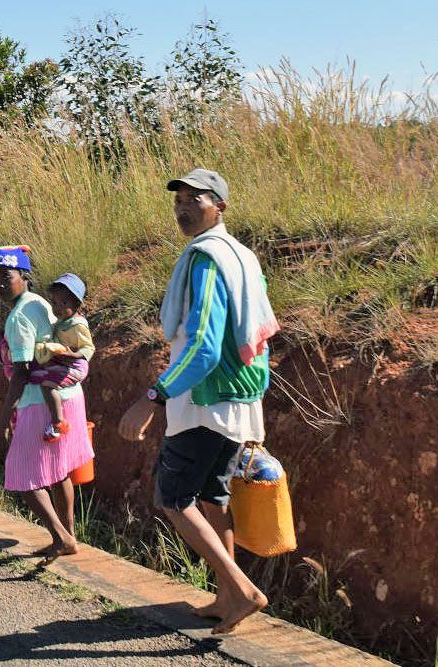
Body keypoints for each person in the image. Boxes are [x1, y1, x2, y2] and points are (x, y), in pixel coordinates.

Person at [117, 169, 279, 635]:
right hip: (240, 396)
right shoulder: (241, 254)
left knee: (172, 497)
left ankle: (242, 589)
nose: (184, 207)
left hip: (206, 400)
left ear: (220, 206)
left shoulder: (207, 258)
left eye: (196, 199)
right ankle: (226, 597)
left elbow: (204, 344)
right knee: (211, 497)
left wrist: (154, 396)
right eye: (179, 200)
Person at [0, 246, 94, 561]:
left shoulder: (19, 316)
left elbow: (20, 374)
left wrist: (2, 420)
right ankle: (69, 534)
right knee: (59, 471)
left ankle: (62, 538)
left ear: (24, 276)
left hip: (40, 402)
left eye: (6, 277)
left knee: (21, 476)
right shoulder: (41, 303)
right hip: (69, 396)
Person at [30, 273, 95, 442]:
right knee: (35, 374)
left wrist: (73, 355)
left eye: (64, 303)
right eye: (55, 303)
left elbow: (89, 347)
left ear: (76, 304)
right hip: (63, 360)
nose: (57, 307)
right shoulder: (62, 321)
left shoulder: (78, 325)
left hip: (76, 365)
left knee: (48, 385)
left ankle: (58, 422)